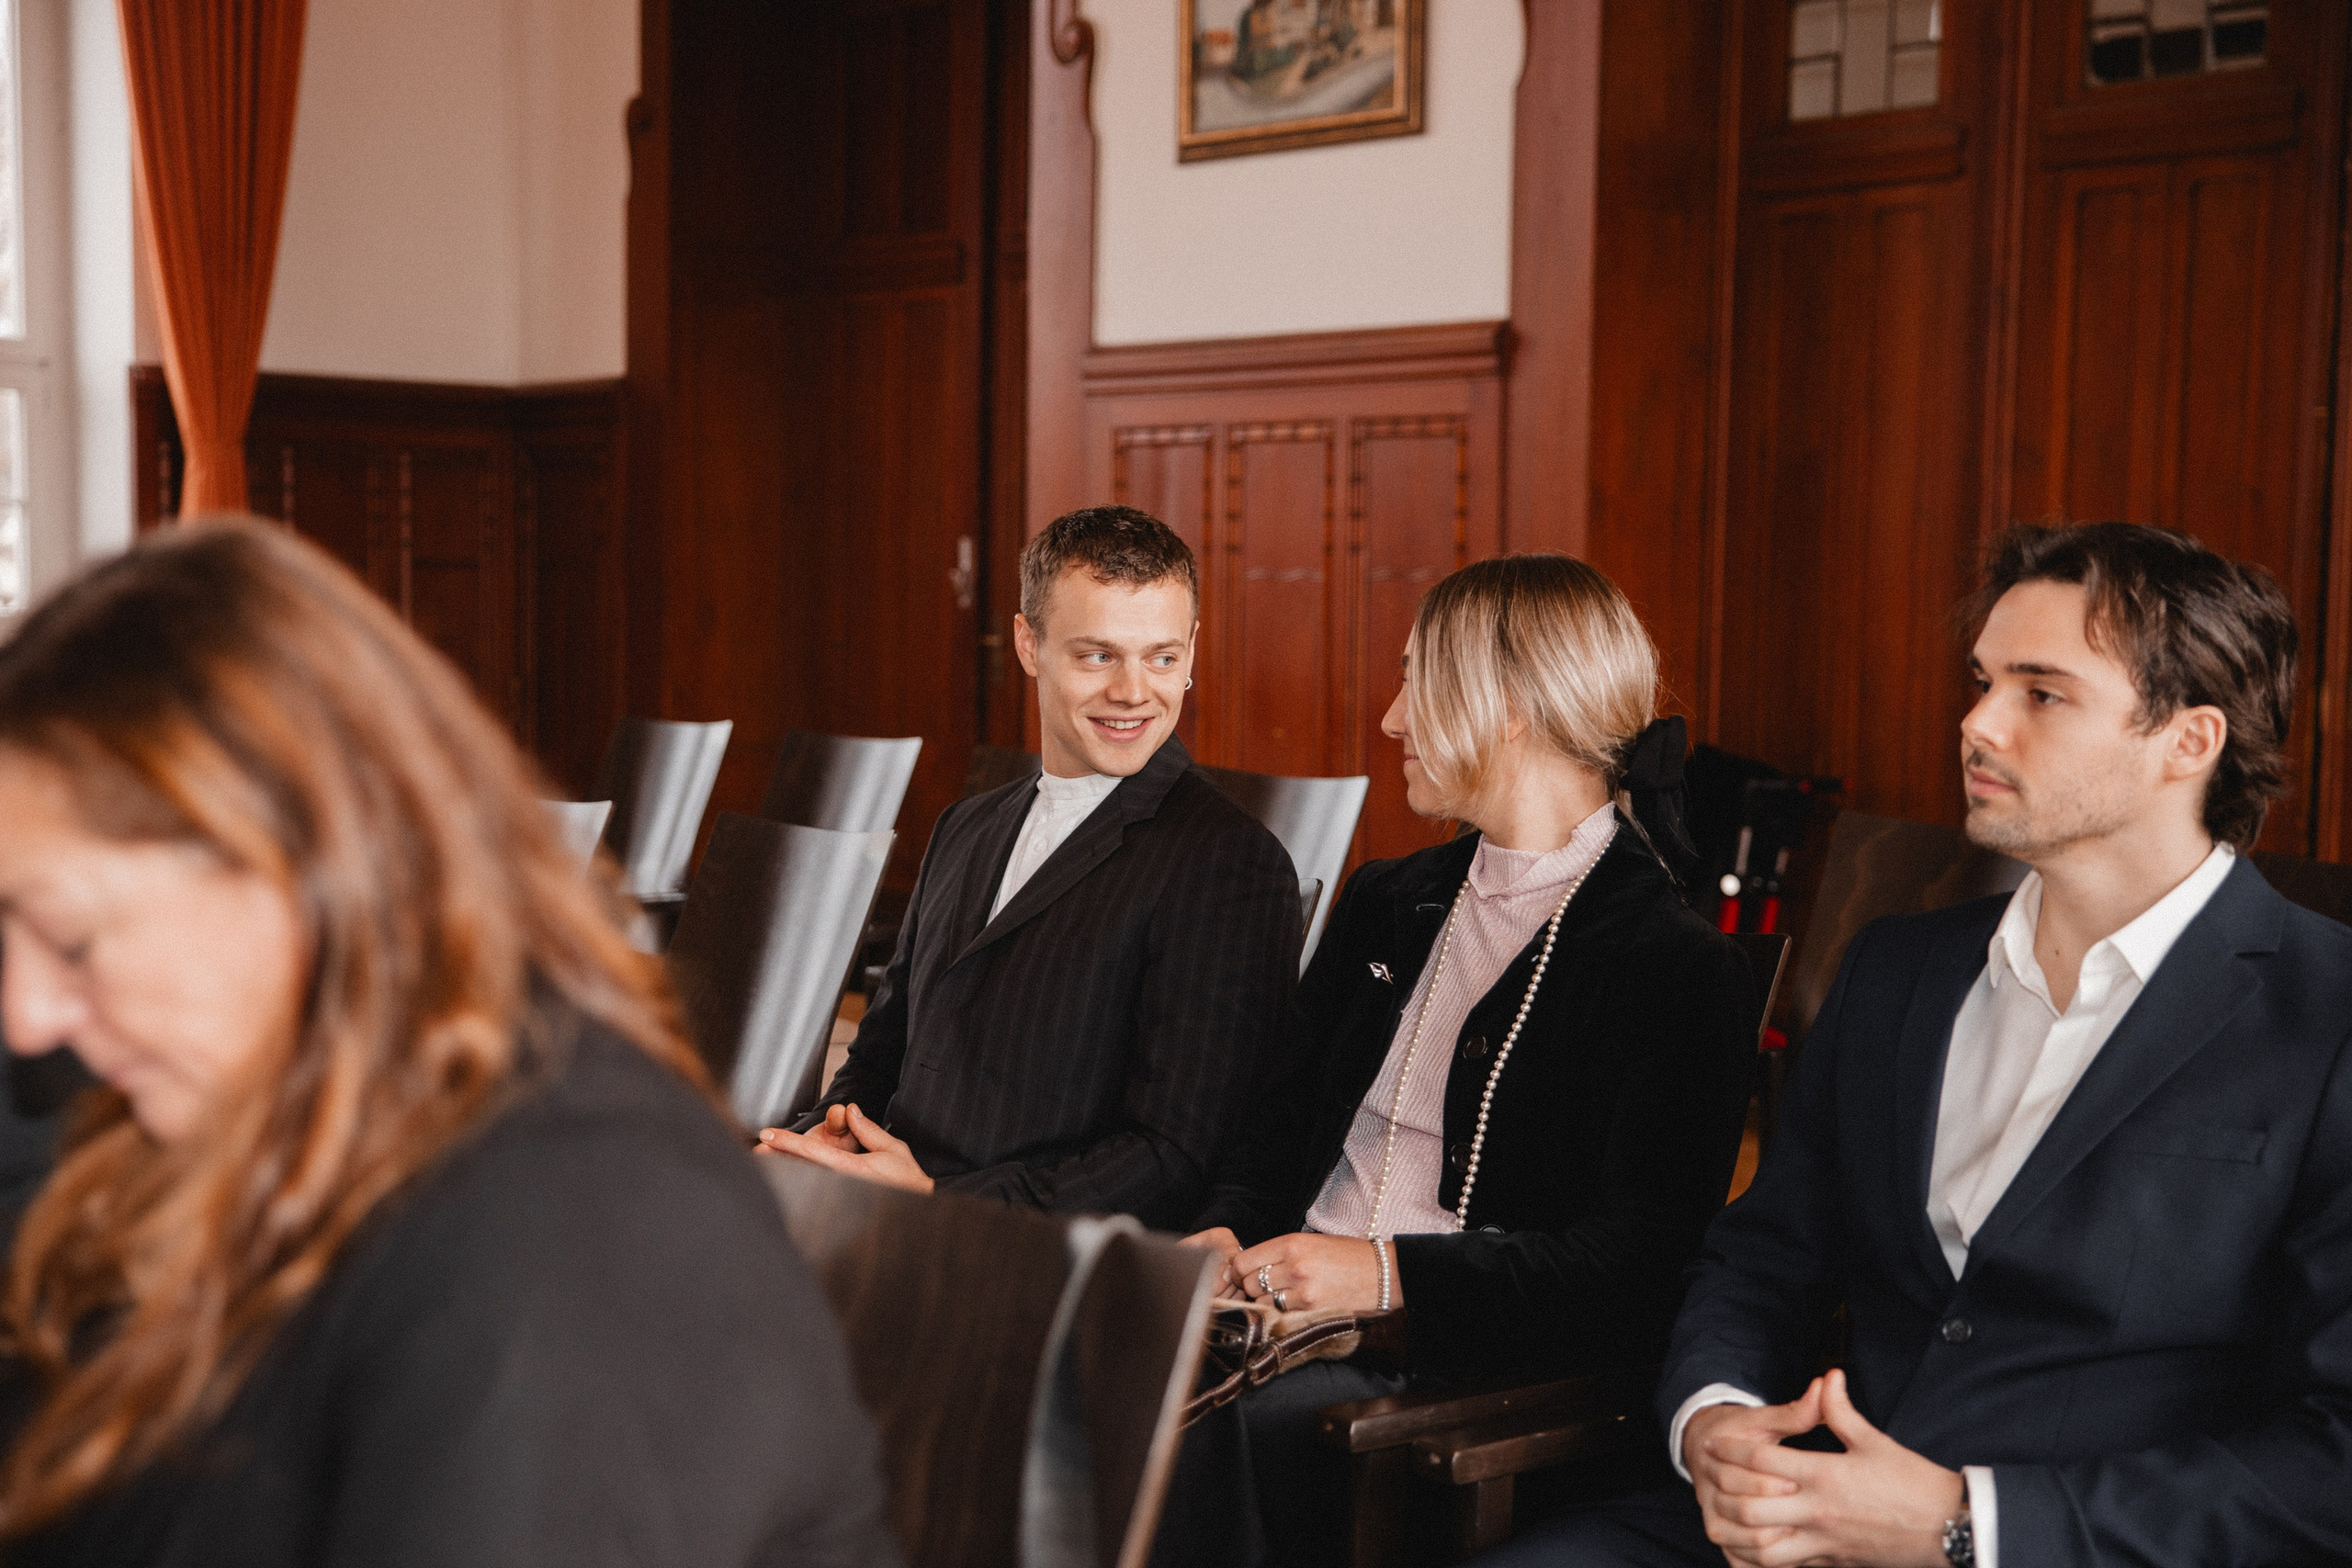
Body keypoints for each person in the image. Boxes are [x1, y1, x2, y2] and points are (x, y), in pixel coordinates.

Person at [0, 520, 897, 1567]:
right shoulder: (228, 1121)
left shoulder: (575, 1223)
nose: (25, 1015)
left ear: (298, 867)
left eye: (70, 937)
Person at [1479, 522, 2352, 1568]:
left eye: (2041, 692)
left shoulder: (2328, 1015)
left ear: (2188, 742)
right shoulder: (1898, 969)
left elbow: (2332, 1458)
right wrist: (1711, 1417)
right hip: (1788, 1527)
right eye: (1981, 681)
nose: (1976, 722)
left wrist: (1968, 1523)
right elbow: (1766, 1256)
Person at [1159, 555, 1759, 1568]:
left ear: (1511, 705)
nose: (1391, 719)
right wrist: (1225, 1228)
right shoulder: (1390, 898)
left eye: (1414, 683)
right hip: (1274, 1314)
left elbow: (1639, 1268)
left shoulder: (1670, 963)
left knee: (1166, 1440)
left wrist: (1386, 1276)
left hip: (1442, 1375)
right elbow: (1280, 1123)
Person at [760, 506, 1300, 1229]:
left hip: (1025, 1260)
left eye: (1162, 657)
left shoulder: (1230, 863)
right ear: (1028, 643)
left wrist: (936, 1205)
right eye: (1098, 655)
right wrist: (816, 1141)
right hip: (886, 1224)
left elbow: (1172, 1158)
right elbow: (881, 1055)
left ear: (1194, 649)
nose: (1134, 691)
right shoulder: (965, 825)